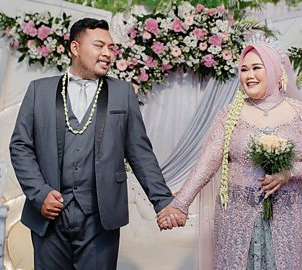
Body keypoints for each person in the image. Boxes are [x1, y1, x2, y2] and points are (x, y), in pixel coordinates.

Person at [9, 18, 178, 270]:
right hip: (49, 215)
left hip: (101, 217)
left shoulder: (123, 93)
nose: (107, 53)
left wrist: (163, 202)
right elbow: (20, 146)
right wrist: (39, 193)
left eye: (111, 48)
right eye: (99, 46)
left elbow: (140, 153)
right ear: (75, 48)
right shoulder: (38, 91)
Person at [158, 41, 302, 269]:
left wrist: (289, 172)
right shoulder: (230, 113)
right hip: (236, 216)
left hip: (288, 216)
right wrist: (180, 204)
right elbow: (207, 161)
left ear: (274, 70)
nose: (249, 75)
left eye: (256, 68)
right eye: (244, 69)